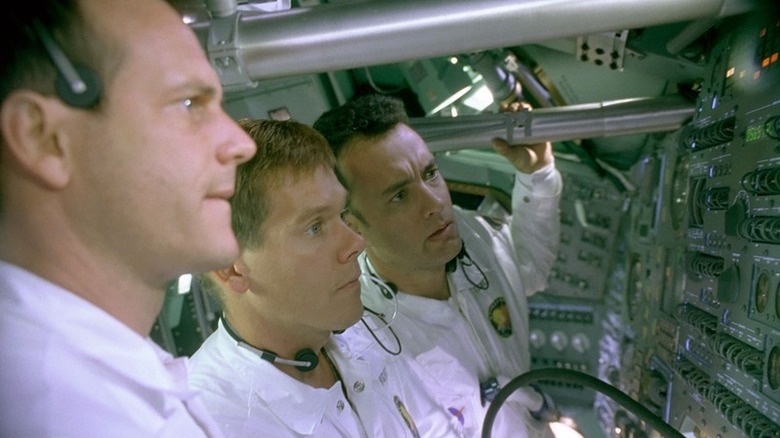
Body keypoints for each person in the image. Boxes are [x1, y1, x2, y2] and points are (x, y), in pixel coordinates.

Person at [0, 0, 256, 436]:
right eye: (189, 102)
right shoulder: (62, 416)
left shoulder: (93, 377)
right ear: (44, 139)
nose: (240, 143)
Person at [188, 118, 469, 437]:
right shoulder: (209, 424)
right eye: (315, 227)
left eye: (339, 215)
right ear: (231, 268)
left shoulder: (362, 334)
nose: (356, 243)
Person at [313, 94, 563, 437]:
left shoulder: (473, 235)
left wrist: (538, 174)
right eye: (399, 196)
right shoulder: (359, 344)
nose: (436, 203)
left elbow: (528, 267)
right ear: (352, 224)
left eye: (430, 173)